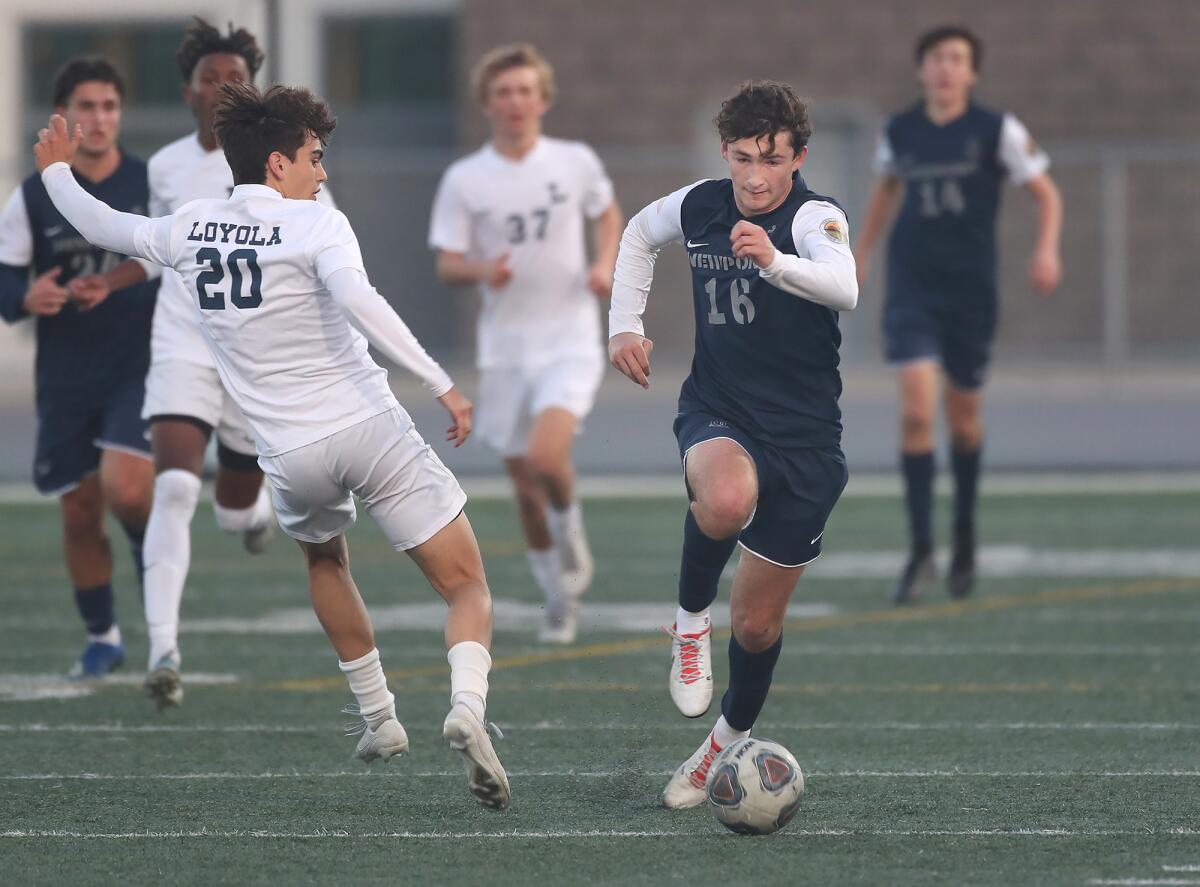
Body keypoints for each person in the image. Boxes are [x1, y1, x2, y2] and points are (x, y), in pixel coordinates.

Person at [34, 83, 510, 810]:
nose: (323, 173)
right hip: (367, 425)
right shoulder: (318, 224)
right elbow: (361, 301)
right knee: (468, 584)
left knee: (324, 556)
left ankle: (380, 717)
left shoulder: (193, 225)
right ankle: (468, 706)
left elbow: (104, 226)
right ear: (281, 162)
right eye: (316, 158)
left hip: (288, 456)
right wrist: (442, 381)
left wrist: (55, 174)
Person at [608, 81, 856, 808]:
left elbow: (845, 287)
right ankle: (688, 625)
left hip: (807, 441)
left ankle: (719, 744)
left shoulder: (816, 216)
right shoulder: (701, 204)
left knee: (756, 622)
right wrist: (625, 321)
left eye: (770, 160)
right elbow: (636, 234)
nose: (754, 176)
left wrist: (774, 261)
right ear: (725, 152)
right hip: (719, 407)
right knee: (724, 497)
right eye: (742, 157)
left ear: (798, 158)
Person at [86, 18, 290, 709]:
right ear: (190, 92)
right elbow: (155, 249)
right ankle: (164, 650)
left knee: (234, 513)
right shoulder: (168, 166)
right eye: (212, 78)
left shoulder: (283, 160)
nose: (224, 87)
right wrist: (105, 282)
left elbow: (319, 249)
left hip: (252, 353)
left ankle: (254, 511)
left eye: (236, 77)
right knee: (172, 488)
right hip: (182, 343)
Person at [853, 25, 1063, 603]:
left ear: (971, 72)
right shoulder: (900, 130)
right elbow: (884, 191)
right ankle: (922, 550)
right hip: (912, 290)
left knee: (963, 421)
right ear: (921, 70)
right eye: (936, 59)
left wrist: (1045, 249)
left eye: (957, 59)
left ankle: (964, 537)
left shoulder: (998, 130)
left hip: (970, 293)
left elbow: (1047, 195)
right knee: (917, 414)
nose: (945, 68)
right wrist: (861, 253)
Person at [429, 43, 623, 644]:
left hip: (568, 339)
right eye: (503, 92)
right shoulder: (465, 179)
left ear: (542, 98)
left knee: (546, 459)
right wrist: (484, 270)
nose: (515, 102)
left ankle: (573, 537)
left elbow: (608, 213)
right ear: (487, 103)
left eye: (524, 91)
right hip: (506, 348)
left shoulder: (573, 161)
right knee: (523, 488)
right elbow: (448, 264)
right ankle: (556, 595)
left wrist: (604, 264)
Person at [0, 57, 155, 679]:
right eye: (86, 106)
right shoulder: (33, 194)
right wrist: (23, 299)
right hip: (65, 373)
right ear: (63, 115)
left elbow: (172, 261)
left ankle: (152, 559)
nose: (99, 118)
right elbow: (7, 277)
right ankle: (103, 635)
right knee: (79, 509)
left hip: (138, 364)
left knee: (126, 489)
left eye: (110, 105)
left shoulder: (148, 183)